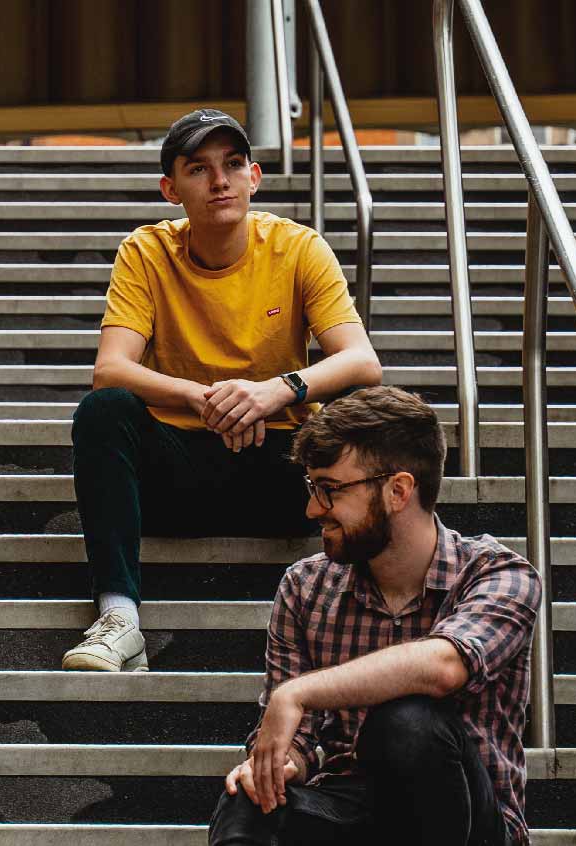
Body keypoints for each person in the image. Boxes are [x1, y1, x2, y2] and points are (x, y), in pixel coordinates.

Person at [64, 108, 383, 673]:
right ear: (171, 189)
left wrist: (274, 392)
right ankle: (119, 620)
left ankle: (371, 612)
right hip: (176, 477)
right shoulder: (146, 251)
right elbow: (110, 369)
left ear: (254, 178)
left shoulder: (298, 248)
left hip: (283, 474)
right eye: (199, 168)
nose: (219, 181)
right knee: (104, 411)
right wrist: (203, 398)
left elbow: (362, 360)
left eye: (233, 164)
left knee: (370, 413)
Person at [202, 386, 538, 846]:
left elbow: (444, 666)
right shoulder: (305, 587)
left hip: (475, 839)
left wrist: (299, 693)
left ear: (398, 491)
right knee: (250, 800)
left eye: (330, 489)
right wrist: (283, 764)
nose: (312, 509)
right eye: (312, 487)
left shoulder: (498, 574)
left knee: (407, 722)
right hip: (353, 815)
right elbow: (297, 740)